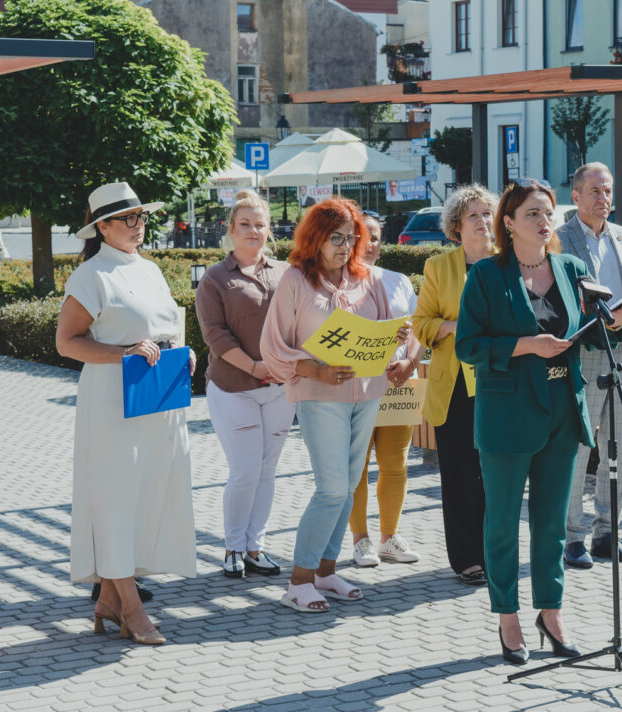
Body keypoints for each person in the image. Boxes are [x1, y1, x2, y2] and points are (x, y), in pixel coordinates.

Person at [454, 178, 622, 666]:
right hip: (507, 413)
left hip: (562, 406)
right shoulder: (487, 277)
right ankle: (507, 618)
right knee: (501, 524)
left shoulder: (570, 267)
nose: (544, 221)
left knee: (553, 523)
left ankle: (551, 614)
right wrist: (525, 345)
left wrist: (616, 324)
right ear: (508, 222)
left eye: (548, 212)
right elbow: (467, 346)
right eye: (533, 213)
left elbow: (591, 336)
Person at [56, 182, 197, 646]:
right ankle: (130, 608)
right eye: (128, 219)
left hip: (157, 399)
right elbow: (67, 342)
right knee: (116, 500)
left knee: (146, 496)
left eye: (141, 217)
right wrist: (123, 353)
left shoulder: (152, 269)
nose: (139, 226)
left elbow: (161, 329)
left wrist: (184, 352)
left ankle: (108, 603)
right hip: (111, 403)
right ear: (102, 227)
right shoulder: (91, 276)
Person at [260, 198, 410, 614]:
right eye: (336, 238)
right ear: (316, 238)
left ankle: (325, 572)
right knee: (330, 489)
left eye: (352, 237)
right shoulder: (294, 280)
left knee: (345, 490)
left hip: (368, 392)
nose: (346, 246)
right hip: (319, 393)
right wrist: (315, 369)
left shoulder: (367, 278)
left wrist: (396, 338)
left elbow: (383, 330)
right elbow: (273, 346)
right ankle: (298, 580)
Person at [195, 189, 294, 580]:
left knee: (268, 470)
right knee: (245, 470)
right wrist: (255, 367)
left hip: (281, 388)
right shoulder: (215, 279)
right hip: (234, 386)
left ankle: (256, 546)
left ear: (269, 230)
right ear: (230, 230)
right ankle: (233, 547)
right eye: (245, 224)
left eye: (260, 225)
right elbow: (215, 337)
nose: (253, 230)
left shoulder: (286, 272)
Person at [556, 162, 622, 569]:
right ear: (575, 196)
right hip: (586, 355)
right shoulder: (558, 240)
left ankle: (607, 535)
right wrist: (604, 320)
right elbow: (556, 302)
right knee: (579, 448)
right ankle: (572, 538)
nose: (603, 198)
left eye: (608, 191)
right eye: (594, 191)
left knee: (620, 448)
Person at [411, 185, 496, 586]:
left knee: (498, 473)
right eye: (474, 216)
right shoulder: (438, 268)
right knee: (460, 474)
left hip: (500, 382)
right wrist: (451, 327)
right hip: (455, 387)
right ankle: (467, 558)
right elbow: (420, 325)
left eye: (488, 214)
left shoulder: (511, 263)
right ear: (456, 227)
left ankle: (497, 550)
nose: (483, 222)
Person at [348, 214, 424, 567]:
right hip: (354, 387)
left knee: (396, 465)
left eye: (376, 237)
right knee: (357, 468)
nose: (370, 244)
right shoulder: (337, 283)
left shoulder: (399, 281)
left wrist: (409, 362)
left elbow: (418, 329)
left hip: (397, 384)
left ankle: (389, 538)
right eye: (363, 236)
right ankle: (360, 540)